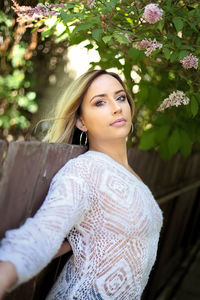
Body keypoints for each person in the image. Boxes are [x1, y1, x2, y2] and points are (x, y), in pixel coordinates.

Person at [0, 70, 163, 299]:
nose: (116, 107)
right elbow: (42, 233)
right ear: (81, 121)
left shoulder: (130, 173)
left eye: (120, 97)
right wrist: (5, 272)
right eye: (100, 102)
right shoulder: (83, 171)